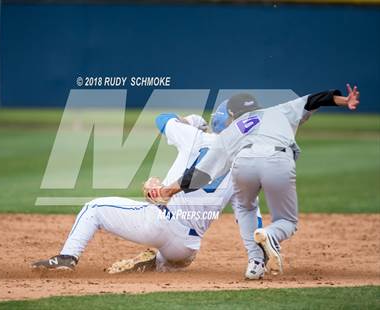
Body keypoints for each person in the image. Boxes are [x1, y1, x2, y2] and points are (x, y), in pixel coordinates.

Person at [146, 84, 360, 276]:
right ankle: (270, 235)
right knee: (287, 222)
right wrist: (344, 101)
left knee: (245, 207)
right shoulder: (278, 111)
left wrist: (168, 191)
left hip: (244, 163)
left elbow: (202, 173)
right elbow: (315, 99)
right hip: (278, 159)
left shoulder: (232, 131)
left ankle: (255, 264)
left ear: (231, 114)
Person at [32, 113, 264, 279]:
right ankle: (158, 263)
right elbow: (251, 220)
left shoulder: (196, 137)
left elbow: (162, 119)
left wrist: (190, 121)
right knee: (177, 256)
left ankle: (67, 257)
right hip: (186, 248)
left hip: (160, 223)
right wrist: (259, 257)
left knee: (93, 208)